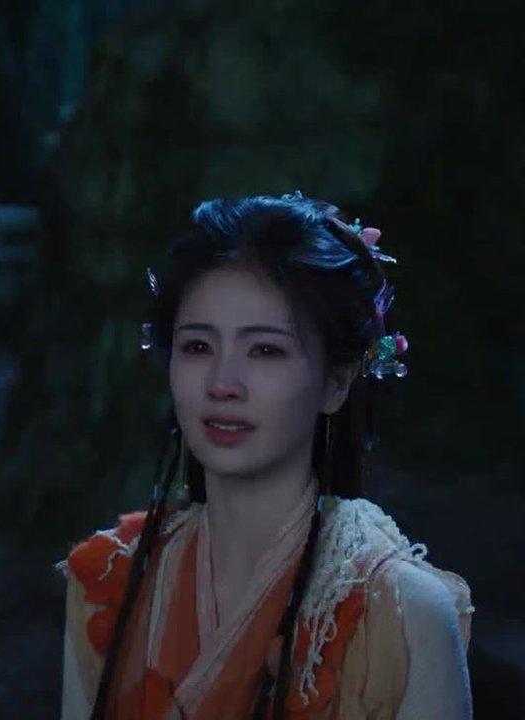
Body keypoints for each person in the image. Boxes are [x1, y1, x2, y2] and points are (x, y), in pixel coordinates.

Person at [59, 194, 472, 719]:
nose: (222, 384)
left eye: (266, 350)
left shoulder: (402, 613)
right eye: (198, 347)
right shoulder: (109, 580)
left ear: (336, 383)